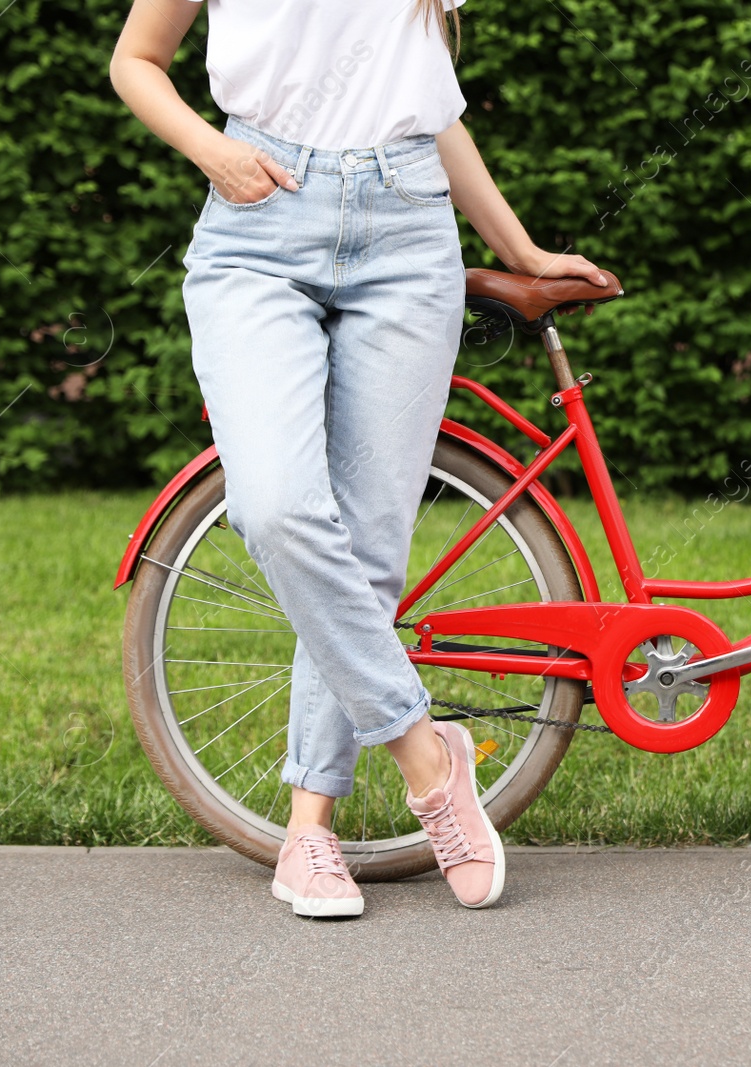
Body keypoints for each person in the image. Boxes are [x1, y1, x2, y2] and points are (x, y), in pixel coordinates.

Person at [111, 0, 605, 917]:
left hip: (408, 235)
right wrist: (212, 152)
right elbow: (136, 59)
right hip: (257, 226)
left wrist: (521, 248)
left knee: (370, 545)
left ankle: (309, 836)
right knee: (278, 508)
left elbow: (429, 105)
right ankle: (428, 753)